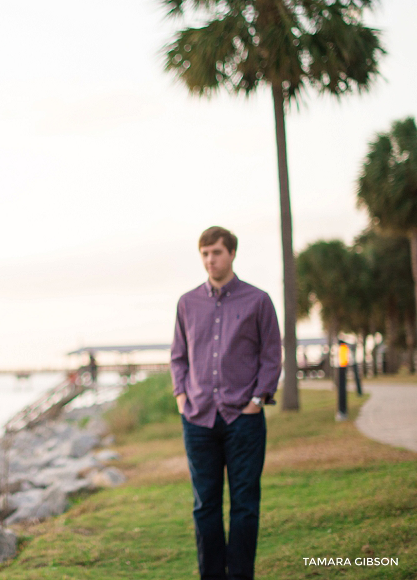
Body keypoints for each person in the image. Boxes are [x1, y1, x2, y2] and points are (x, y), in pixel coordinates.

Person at [170, 226, 282, 580]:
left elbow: (271, 354)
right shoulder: (187, 303)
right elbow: (178, 357)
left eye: (216, 252)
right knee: (205, 507)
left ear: (231, 253)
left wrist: (257, 399)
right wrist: (181, 398)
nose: (210, 260)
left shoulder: (258, 300)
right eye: (204, 253)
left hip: (243, 420)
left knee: (245, 506)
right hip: (198, 418)